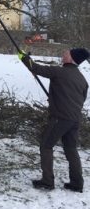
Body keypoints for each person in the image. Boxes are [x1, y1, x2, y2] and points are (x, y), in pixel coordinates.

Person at [20, 47, 89, 193]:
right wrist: (56, 98)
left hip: (60, 118)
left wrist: (24, 58)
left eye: (66, 53)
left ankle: (47, 181)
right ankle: (77, 183)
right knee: (71, 149)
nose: (63, 54)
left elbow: (36, 68)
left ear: (71, 58)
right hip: (75, 119)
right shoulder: (82, 79)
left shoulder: (59, 72)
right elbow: (79, 99)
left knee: (46, 145)